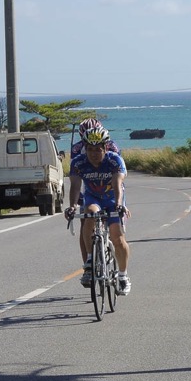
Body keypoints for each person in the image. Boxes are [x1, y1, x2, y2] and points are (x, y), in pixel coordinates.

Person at [65, 126, 132, 295]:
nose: (94, 153)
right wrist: (72, 206)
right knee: (89, 213)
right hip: (93, 198)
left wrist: (118, 204)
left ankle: (123, 276)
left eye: (98, 149)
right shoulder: (78, 162)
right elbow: (75, 186)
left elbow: (118, 184)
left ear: (105, 148)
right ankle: (90, 259)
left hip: (112, 199)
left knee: (117, 237)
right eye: (90, 149)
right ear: (85, 148)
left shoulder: (114, 160)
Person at [70, 118, 121, 264]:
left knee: (113, 223)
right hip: (88, 188)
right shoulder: (77, 149)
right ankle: (88, 262)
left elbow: (118, 172)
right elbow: (76, 175)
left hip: (108, 186)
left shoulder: (111, 146)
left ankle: (109, 245)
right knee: (86, 221)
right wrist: (74, 203)